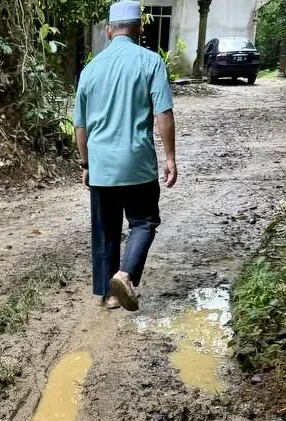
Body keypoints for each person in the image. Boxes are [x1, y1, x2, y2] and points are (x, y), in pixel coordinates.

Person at [73, 0, 178, 312]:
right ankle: (125, 274)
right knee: (144, 222)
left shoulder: (90, 70)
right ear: (140, 28)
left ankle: (109, 295)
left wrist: (86, 164)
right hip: (138, 164)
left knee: (105, 231)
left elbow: (80, 126)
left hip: (102, 165)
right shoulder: (151, 62)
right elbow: (163, 114)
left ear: (108, 31)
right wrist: (171, 157)